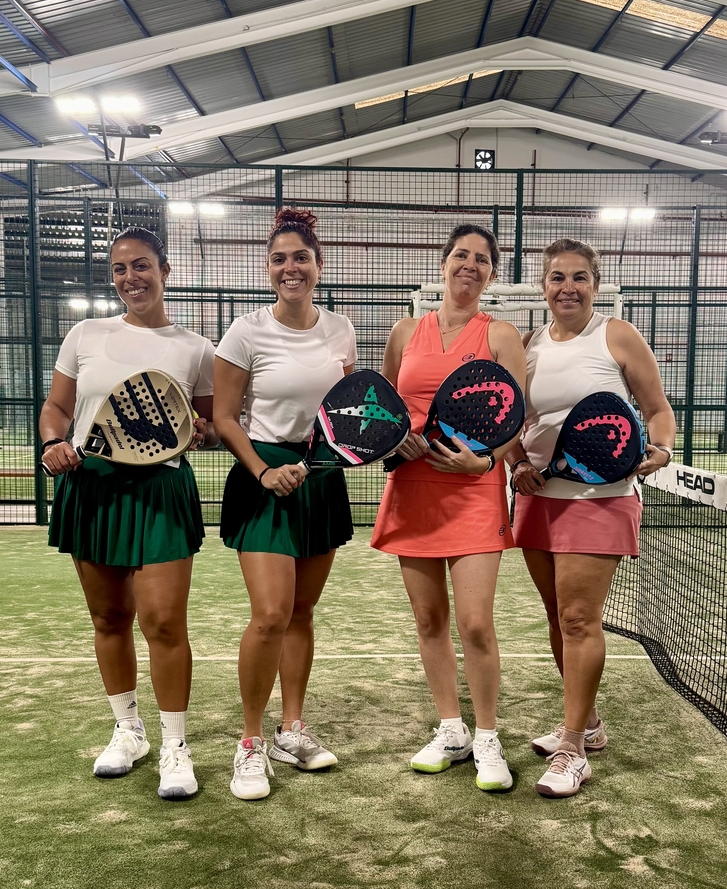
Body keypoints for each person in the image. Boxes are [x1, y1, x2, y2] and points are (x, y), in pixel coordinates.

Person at [40, 227, 215, 802]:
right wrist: (52, 442)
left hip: (162, 492)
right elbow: (57, 406)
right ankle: (128, 730)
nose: (130, 278)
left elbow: (211, 424)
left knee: (163, 622)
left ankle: (175, 747)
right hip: (91, 488)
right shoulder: (86, 334)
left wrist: (200, 432)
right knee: (109, 618)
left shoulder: (196, 349)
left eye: (141, 265)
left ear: (165, 271)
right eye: (119, 269)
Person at [504, 239, 675, 798]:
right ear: (543, 286)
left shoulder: (617, 335)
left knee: (579, 618)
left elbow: (657, 409)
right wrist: (516, 463)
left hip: (601, 497)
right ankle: (589, 723)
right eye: (557, 277)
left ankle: (573, 748)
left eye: (579, 277)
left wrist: (662, 448)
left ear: (595, 285)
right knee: (558, 617)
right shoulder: (528, 344)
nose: (568, 287)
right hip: (539, 498)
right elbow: (513, 422)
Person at [373, 224, 527, 792]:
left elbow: (514, 421)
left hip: (473, 490)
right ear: (443, 264)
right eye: (461, 255)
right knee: (428, 620)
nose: (470, 265)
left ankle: (487, 736)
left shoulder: (502, 335)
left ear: (492, 274)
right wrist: (396, 442)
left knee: (475, 623)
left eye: (482, 259)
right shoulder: (405, 332)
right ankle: (451, 729)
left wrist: (482, 464)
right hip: (412, 489)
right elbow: (384, 411)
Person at [213, 208, 357, 801]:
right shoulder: (245, 332)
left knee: (301, 612)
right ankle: (249, 743)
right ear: (267, 269)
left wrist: (337, 455)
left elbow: (347, 412)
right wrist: (265, 471)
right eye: (279, 259)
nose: (290, 268)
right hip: (264, 476)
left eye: (300, 257)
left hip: (320, 477)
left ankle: (290, 730)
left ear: (319, 265)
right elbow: (224, 417)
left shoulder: (341, 329)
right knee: (270, 613)